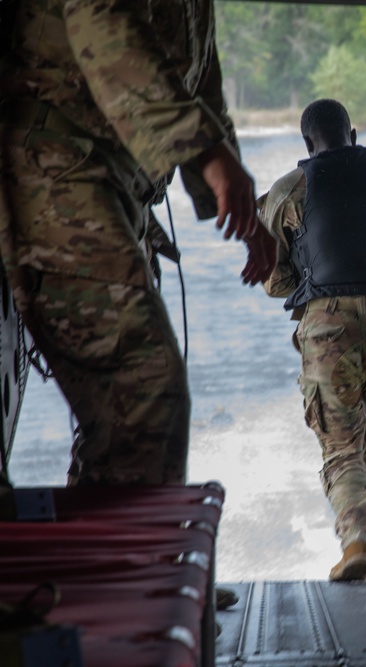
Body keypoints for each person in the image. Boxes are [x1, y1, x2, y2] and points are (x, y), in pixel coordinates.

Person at [0, 0, 275, 486]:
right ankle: (114, 559)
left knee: (130, 406)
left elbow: (199, 84)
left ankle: (99, 554)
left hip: (113, 184)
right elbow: (103, 25)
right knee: (144, 390)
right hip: (57, 163)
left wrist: (243, 211)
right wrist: (208, 155)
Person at [258, 99, 366, 582]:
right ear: (353, 134)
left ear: (308, 143)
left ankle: (357, 542)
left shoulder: (290, 189)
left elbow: (275, 282)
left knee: (341, 446)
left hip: (328, 324)